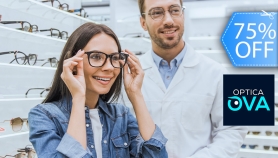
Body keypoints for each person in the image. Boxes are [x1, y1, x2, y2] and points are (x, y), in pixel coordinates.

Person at [121, 0, 248, 157]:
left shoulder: (218, 73)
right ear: (143, 22)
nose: (168, 20)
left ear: (183, 15)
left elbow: (233, 131)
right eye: (157, 12)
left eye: (174, 10)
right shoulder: (126, 78)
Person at [28, 23, 168, 158]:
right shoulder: (43, 116)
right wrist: (78, 98)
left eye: (114, 58)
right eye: (96, 57)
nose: (109, 67)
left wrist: (135, 94)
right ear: (73, 62)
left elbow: (156, 155)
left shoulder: (121, 115)